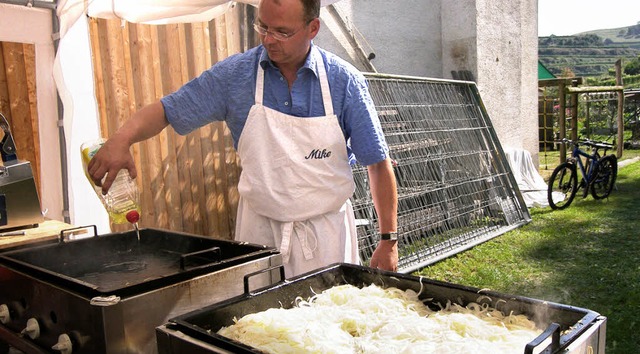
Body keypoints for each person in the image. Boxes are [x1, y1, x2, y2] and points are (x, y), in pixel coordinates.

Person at [88, 0, 398, 277]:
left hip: (327, 236)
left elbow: (378, 165)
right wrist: (121, 139)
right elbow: (167, 110)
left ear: (313, 28)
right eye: (262, 26)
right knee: (260, 331)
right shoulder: (236, 76)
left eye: (281, 31)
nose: (268, 39)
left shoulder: (344, 82)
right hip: (259, 233)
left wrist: (388, 240)